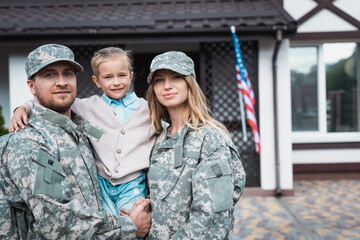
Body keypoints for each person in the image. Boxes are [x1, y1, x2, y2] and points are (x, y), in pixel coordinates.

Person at [0, 44, 151, 239]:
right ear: (31, 86)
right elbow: (54, 220)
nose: (62, 82)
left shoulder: (81, 129)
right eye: (50, 75)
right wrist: (130, 226)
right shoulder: (29, 141)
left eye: (68, 74)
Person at [138, 51, 246, 239]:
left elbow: (213, 216)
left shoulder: (210, 137)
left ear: (190, 83)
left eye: (176, 77)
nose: (167, 86)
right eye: (159, 80)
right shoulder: (159, 137)